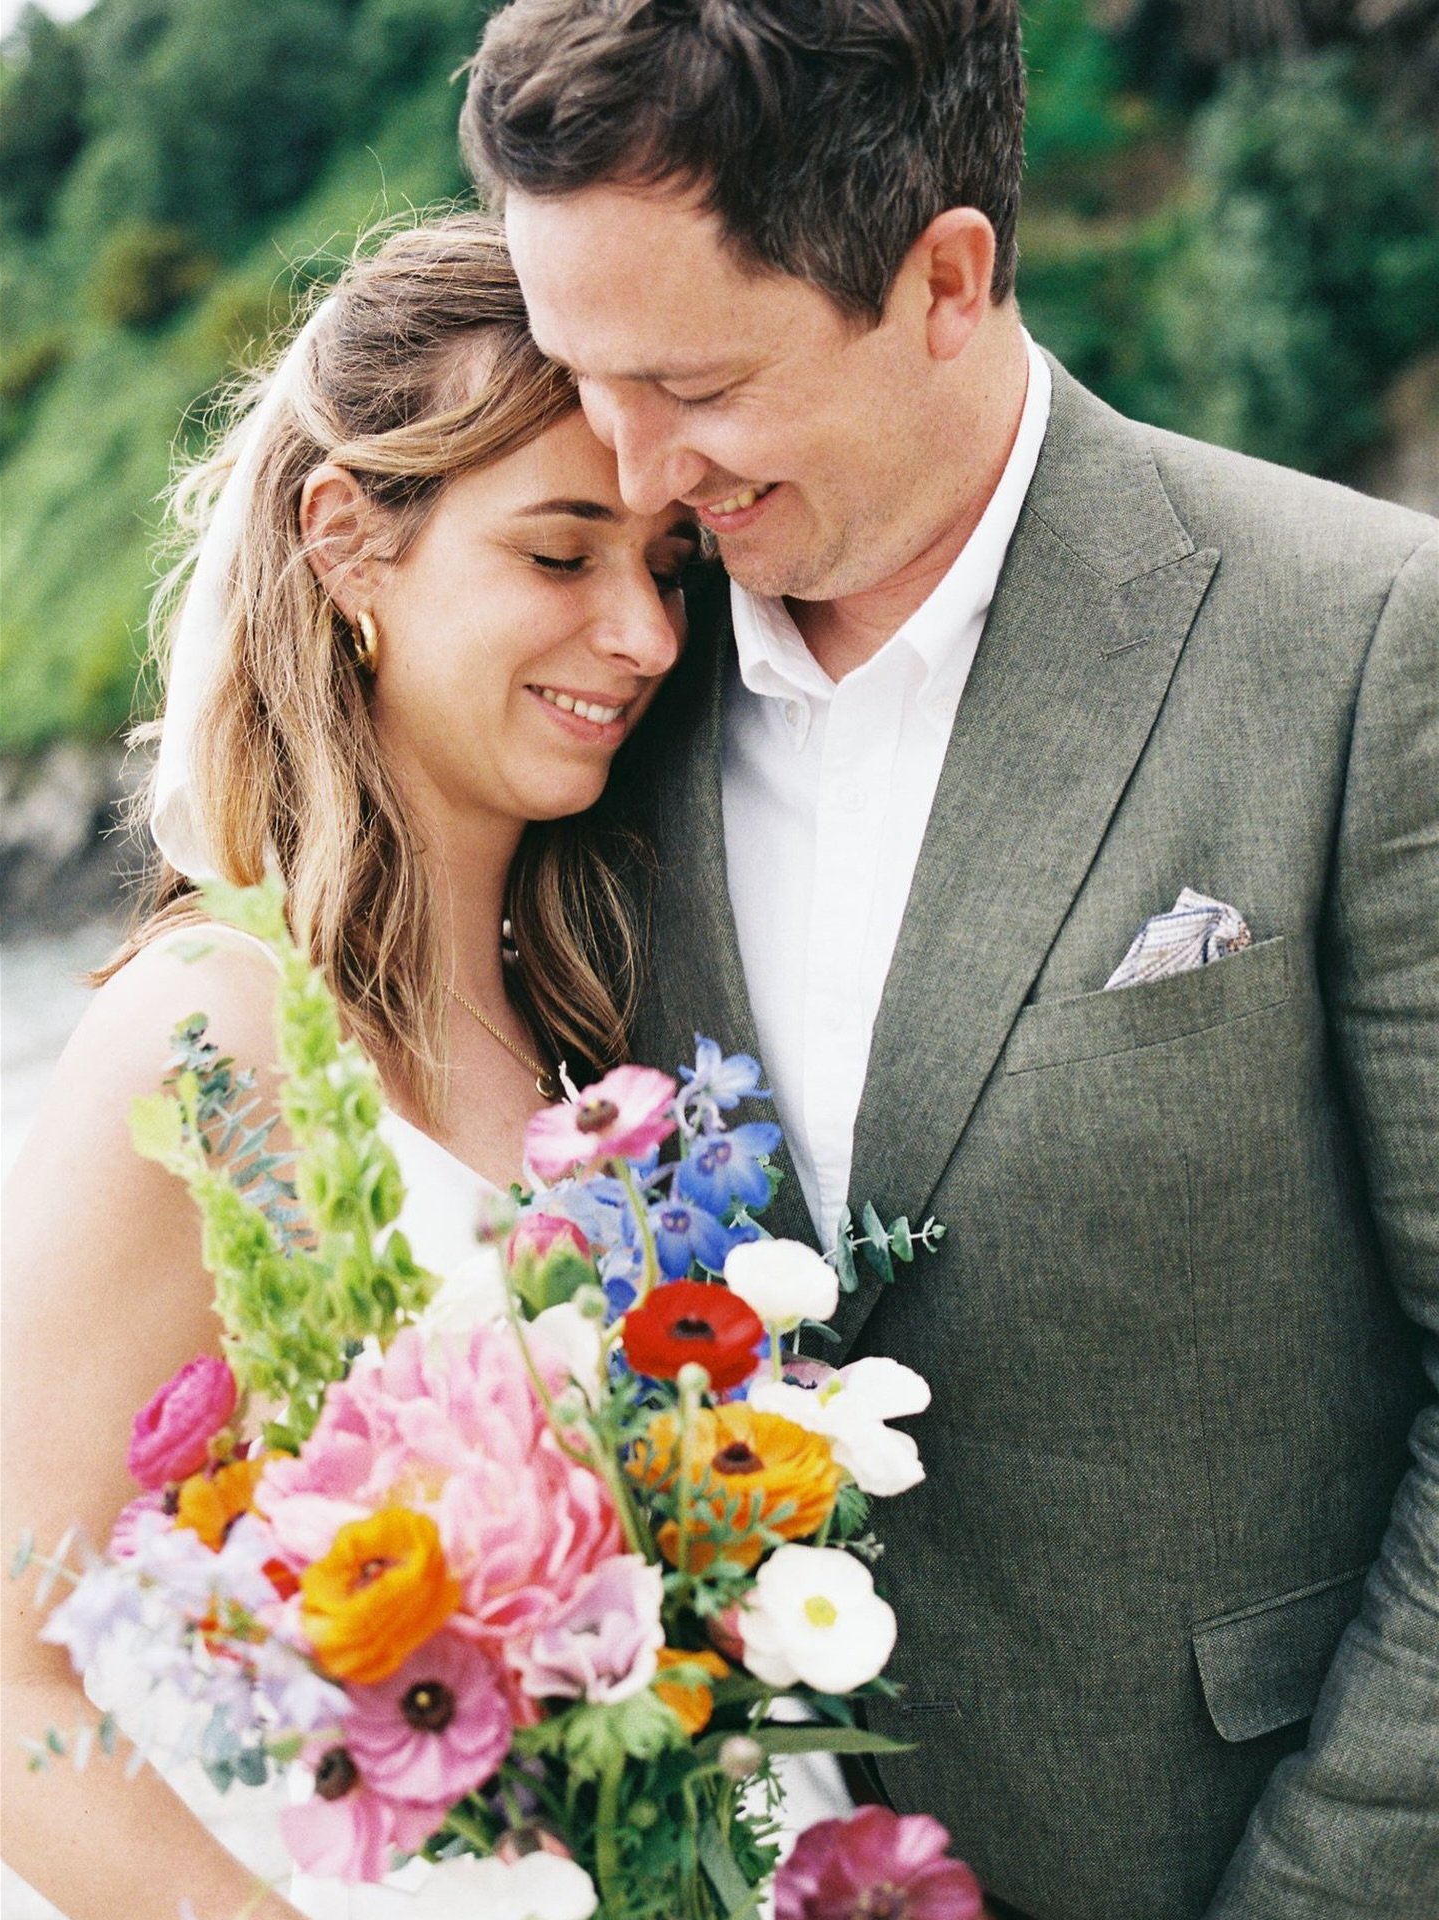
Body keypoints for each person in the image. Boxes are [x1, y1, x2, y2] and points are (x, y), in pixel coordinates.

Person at [460, 4, 1439, 1918]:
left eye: (697, 384)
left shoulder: (1363, 646)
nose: (638, 474)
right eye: (586, 379)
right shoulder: (578, 712)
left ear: (946, 278)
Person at [0, 212, 701, 1920]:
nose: (647, 636)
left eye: (671, 568)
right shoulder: (219, 1040)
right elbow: (12, 1684)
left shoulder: (601, 1012)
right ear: (347, 541)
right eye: (562, 555)